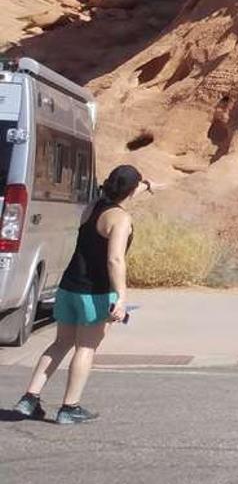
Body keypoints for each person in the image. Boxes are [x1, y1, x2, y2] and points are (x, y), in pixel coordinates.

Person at [12, 166, 146, 425]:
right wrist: (121, 297)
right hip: (95, 292)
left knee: (60, 343)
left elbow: (121, 190)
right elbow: (115, 260)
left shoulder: (93, 207)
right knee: (86, 347)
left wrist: (147, 186)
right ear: (130, 191)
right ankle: (69, 407)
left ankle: (29, 398)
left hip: (69, 287)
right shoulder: (120, 219)